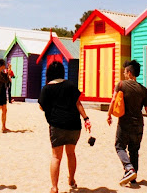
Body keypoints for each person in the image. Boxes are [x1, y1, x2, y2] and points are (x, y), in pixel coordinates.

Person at [38, 61, 92, 193]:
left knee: (56, 157)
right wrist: (86, 118)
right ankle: (71, 180)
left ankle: (54, 187)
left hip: (57, 126)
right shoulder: (70, 85)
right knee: (71, 153)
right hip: (74, 125)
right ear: (62, 72)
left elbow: (41, 106)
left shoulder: (46, 89)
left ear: (49, 73)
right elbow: (78, 103)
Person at [107, 60, 147, 186]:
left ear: (129, 72)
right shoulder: (144, 90)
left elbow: (113, 100)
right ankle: (133, 178)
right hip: (139, 124)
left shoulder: (121, 85)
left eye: (124, 72)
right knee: (134, 150)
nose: (123, 74)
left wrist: (109, 114)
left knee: (119, 146)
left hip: (124, 123)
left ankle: (129, 168)